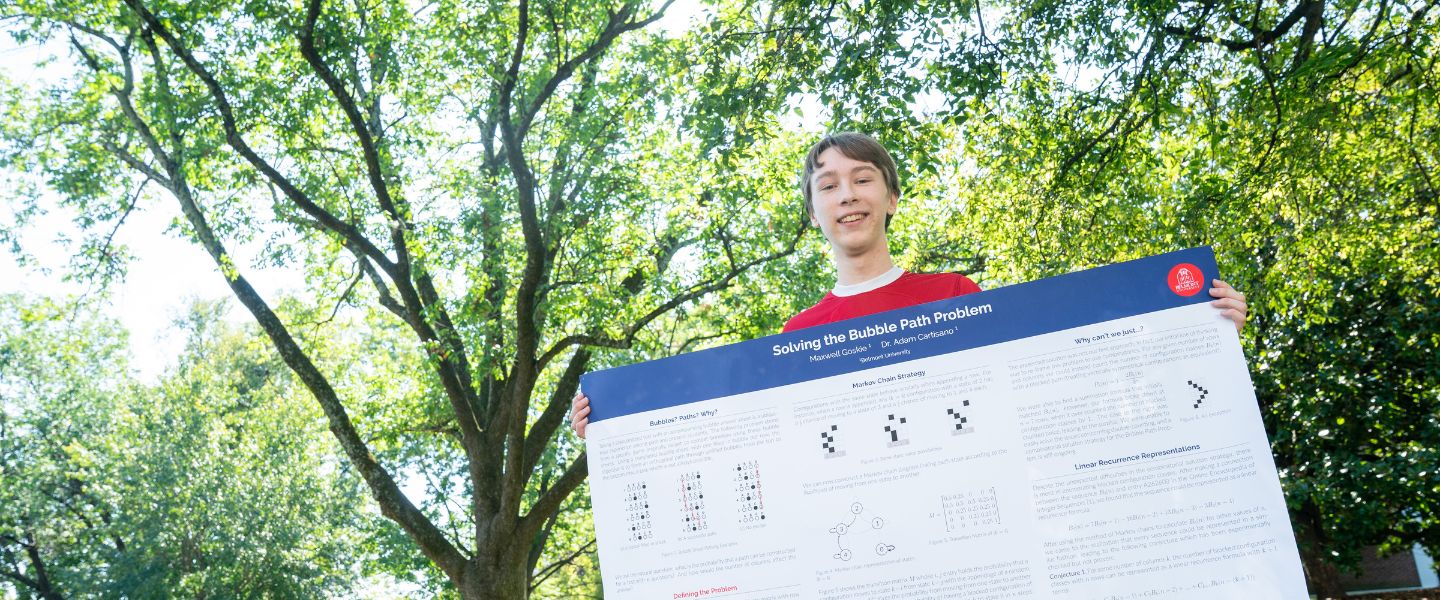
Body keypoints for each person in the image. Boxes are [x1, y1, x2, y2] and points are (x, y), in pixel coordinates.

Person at [570, 132, 1248, 437]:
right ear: (814, 214)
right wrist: (617, 429)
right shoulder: (796, 337)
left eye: (863, 179)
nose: (847, 195)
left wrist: (1196, 327)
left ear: (891, 198)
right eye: (828, 186)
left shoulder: (954, 294)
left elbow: (1050, 386)